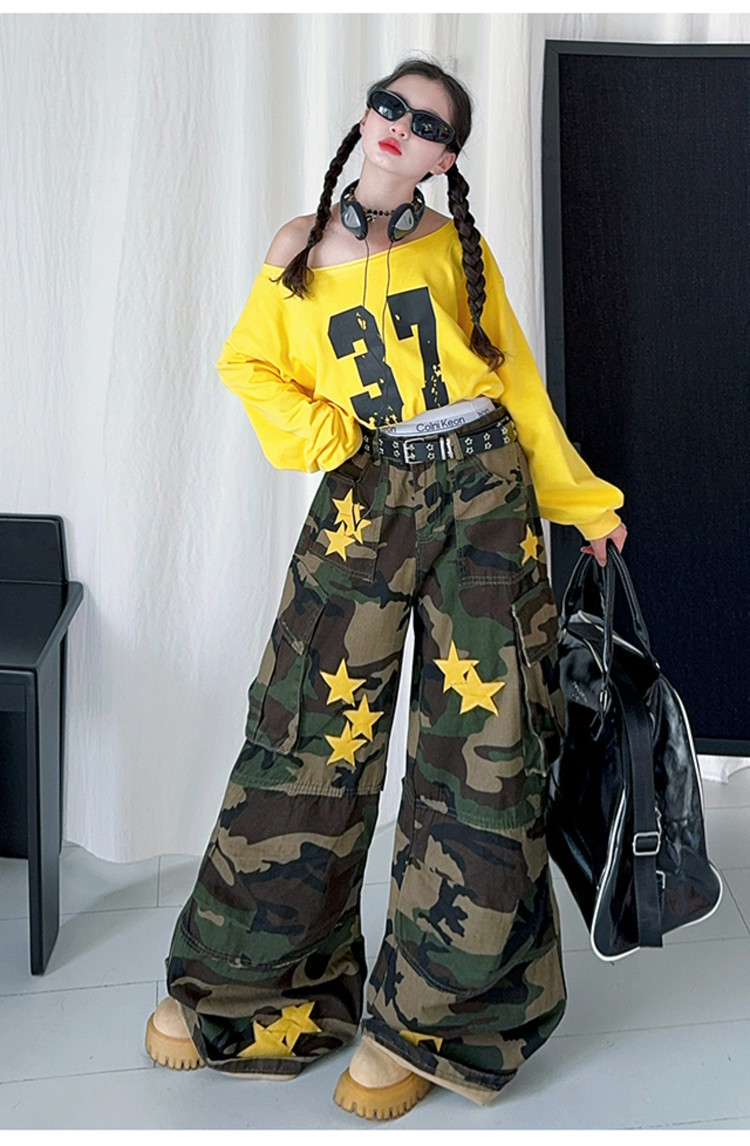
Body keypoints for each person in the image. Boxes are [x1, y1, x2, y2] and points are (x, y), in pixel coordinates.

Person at [145, 57, 627, 1120]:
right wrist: (328, 435)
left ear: (446, 158)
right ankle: (250, 984)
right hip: (366, 492)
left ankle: (434, 1023)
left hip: (485, 491)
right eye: (390, 106)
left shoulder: (456, 247)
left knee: (485, 754)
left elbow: (517, 383)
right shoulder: (298, 247)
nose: (402, 126)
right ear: (367, 117)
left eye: (429, 124)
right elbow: (249, 363)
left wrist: (582, 502)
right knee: (305, 733)